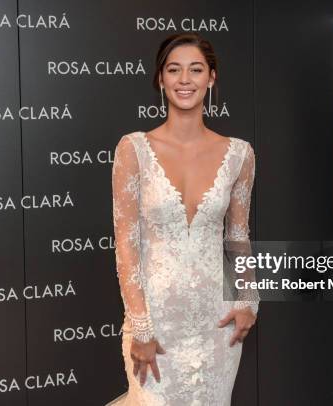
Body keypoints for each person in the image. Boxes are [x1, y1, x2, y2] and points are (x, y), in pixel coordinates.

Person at [107, 32, 259, 405]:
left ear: (212, 77)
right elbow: (126, 245)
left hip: (216, 325)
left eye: (195, 69)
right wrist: (141, 326)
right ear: (161, 79)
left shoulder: (240, 154)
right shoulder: (134, 150)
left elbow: (238, 235)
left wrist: (248, 300)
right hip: (155, 324)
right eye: (174, 70)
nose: (185, 80)